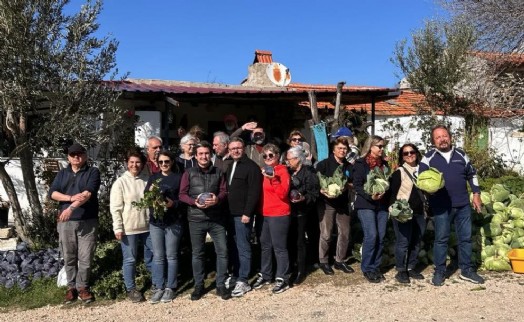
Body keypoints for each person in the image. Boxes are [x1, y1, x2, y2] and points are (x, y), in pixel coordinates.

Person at [419, 125, 484, 286]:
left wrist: (476, 193)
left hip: (462, 205)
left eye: (444, 136)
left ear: (450, 137)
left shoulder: (461, 155)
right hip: (441, 207)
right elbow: (420, 178)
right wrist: (429, 190)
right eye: (438, 137)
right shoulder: (428, 157)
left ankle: (467, 270)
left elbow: (472, 174)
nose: (442, 139)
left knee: (465, 239)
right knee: (441, 239)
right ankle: (439, 271)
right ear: (433, 141)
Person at [49, 143, 100, 304]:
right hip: (66, 223)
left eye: (79, 154)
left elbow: (87, 194)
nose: (76, 157)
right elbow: (53, 193)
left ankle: (83, 287)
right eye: (73, 154)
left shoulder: (93, 172)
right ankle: (71, 287)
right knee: (69, 256)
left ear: (85, 155)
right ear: (68, 157)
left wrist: (70, 208)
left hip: (87, 221)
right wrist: (70, 198)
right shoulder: (62, 173)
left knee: (86, 257)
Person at [179, 141, 230, 301]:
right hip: (196, 219)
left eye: (207, 153)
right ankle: (199, 285)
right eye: (200, 154)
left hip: (216, 219)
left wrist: (218, 199)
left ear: (211, 155)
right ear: (196, 156)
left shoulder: (219, 172)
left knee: (222, 251)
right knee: (198, 254)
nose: (204, 156)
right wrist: (194, 202)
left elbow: (224, 191)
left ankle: (221, 284)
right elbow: (182, 194)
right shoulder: (189, 173)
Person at [110, 149, 153, 302]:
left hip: (148, 227)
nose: (135, 165)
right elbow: (115, 208)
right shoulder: (120, 183)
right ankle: (131, 289)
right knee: (130, 260)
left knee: (152, 256)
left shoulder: (147, 179)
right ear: (127, 164)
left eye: (137, 162)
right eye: (132, 162)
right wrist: (118, 227)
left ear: (142, 164)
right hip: (129, 229)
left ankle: (156, 283)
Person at [252, 144, 291, 294]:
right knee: (265, 246)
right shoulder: (262, 172)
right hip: (263, 214)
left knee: (279, 247)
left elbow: (283, 194)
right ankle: (266, 274)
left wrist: (274, 179)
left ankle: (283, 277)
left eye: (271, 155)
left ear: (277, 155)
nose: (268, 158)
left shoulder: (282, 171)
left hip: (279, 214)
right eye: (265, 156)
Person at [225, 137, 262, 297]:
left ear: (244, 148)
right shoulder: (230, 165)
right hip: (229, 213)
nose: (235, 150)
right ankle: (235, 274)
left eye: (238, 148)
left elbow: (254, 192)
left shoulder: (251, 167)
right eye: (233, 148)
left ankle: (244, 280)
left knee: (243, 247)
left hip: (242, 215)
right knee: (232, 245)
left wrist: (248, 213)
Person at [146, 151, 184, 304]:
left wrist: (172, 204)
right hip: (156, 222)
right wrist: (152, 199)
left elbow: (183, 199)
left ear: (172, 162)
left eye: (166, 161)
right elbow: (146, 197)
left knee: (172, 255)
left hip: (173, 221)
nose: (163, 165)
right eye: (161, 162)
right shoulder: (153, 178)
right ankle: (159, 286)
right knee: (158, 255)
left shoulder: (178, 178)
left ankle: (171, 286)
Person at [315, 137, 354, 276]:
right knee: (326, 233)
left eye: (345, 149)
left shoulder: (349, 166)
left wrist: (346, 187)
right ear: (334, 150)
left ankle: (340, 260)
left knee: (345, 233)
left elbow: (353, 183)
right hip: (326, 204)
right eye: (340, 148)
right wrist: (322, 190)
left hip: (342, 203)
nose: (343, 151)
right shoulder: (323, 165)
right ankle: (323, 261)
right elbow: (316, 183)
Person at [353, 135, 389, 283]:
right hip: (366, 204)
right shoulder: (361, 163)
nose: (382, 149)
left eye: (382, 146)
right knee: (371, 235)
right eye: (379, 146)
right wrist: (370, 196)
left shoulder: (384, 165)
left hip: (381, 205)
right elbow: (357, 185)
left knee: (380, 237)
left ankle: (375, 266)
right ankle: (367, 268)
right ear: (370, 147)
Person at [388, 144, 426, 284]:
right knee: (403, 242)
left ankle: (411, 267)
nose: (409, 155)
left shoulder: (423, 170)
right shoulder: (399, 172)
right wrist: (393, 210)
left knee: (416, 241)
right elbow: (392, 193)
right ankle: (401, 270)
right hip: (403, 212)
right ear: (402, 156)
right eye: (406, 153)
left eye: (412, 152)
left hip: (420, 211)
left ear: (416, 153)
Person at [286, 146, 320, 285]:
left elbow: (314, 194)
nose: (287, 162)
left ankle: (301, 270)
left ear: (298, 159)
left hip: (303, 212)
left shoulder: (309, 173)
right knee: (290, 240)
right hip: (289, 211)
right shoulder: (288, 172)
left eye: (289, 159)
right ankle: (291, 266)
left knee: (300, 241)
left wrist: (303, 198)